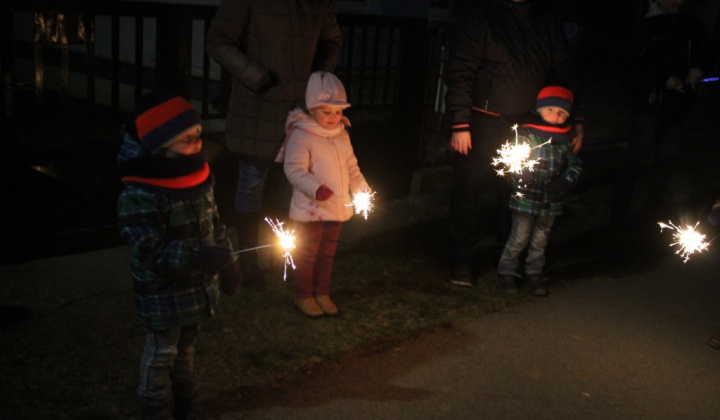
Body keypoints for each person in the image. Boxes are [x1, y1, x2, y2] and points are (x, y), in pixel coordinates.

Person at [117, 91, 244, 420]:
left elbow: (214, 224)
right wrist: (199, 255)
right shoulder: (140, 192)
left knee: (185, 352)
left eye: (198, 135)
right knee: (162, 353)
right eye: (186, 139)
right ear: (161, 143)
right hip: (164, 296)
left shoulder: (198, 177)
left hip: (194, 290)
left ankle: (189, 405)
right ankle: (155, 409)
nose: (197, 143)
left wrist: (227, 262)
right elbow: (148, 250)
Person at [443, 0, 584, 287]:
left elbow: (566, 71)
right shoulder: (483, 15)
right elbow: (461, 70)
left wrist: (575, 118)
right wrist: (460, 123)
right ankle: (461, 261)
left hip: (528, 126)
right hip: (482, 124)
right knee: (469, 192)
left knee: (516, 194)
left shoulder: (545, 21)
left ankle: (508, 261)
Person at [205, 0, 343, 291]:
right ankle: (249, 263)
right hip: (258, 104)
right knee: (253, 181)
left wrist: (314, 81)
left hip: (300, 107)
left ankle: (287, 258)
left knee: (294, 183)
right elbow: (218, 41)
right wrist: (261, 80)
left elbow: (332, 40)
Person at [611, 0, 718, 227]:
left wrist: (698, 66)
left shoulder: (690, 25)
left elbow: (710, 50)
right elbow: (630, 66)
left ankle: (654, 208)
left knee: (667, 160)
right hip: (649, 106)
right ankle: (620, 208)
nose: (679, 2)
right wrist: (661, 81)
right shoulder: (644, 27)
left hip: (678, 108)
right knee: (637, 157)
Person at [279, 72, 370, 318]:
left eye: (338, 112)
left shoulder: (341, 135)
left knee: (328, 253)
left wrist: (361, 188)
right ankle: (303, 295)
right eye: (327, 111)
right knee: (307, 254)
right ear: (312, 109)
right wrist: (315, 188)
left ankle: (322, 292)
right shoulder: (301, 135)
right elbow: (294, 169)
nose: (334, 118)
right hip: (311, 209)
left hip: (336, 209)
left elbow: (352, 167)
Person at [496, 86, 582, 296]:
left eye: (563, 113)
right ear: (540, 108)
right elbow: (511, 158)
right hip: (526, 199)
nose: (556, 116)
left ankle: (534, 272)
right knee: (519, 237)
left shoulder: (566, 139)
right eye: (551, 110)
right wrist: (521, 173)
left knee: (540, 240)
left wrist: (565, 180)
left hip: (551, 202)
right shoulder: (527, 133)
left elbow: (575, 165)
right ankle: (506, 271)